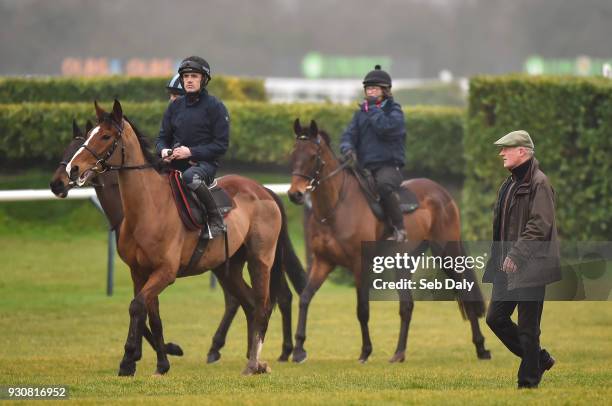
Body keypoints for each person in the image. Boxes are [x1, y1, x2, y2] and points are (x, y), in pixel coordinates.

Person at [483, 130, 561, 389]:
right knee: (495, 318)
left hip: (531, 266)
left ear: (523, 151)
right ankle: (539, 359)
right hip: (506, 267)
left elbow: (539, 226)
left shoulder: (540, 183)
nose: (501, 153)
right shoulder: (509, 183)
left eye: (507, 148)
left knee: (529, 329)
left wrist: (516, 254)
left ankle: (527, 383)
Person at [156, 56, 230, 238]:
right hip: (174, 163)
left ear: (203, 79)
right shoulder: (174, 107)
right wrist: (164, 151)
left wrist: (191, 152)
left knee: (190, 176)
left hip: (204, 165)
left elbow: (221, 145)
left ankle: (216, 220)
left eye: (194, 76)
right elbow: (161, 138)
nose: (189, 80)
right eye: (186, 76)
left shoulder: (216, 107)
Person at [339, 65, 407, 242]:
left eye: (374, 89)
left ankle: (399, 229)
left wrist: (373, 109)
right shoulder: (361, 114)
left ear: (385, 91)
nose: (370, 92)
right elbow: (348, 135)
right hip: (365, 167)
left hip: (389, 167)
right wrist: (347, 148)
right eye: (368, 88)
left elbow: (385, 128)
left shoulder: (394, 112)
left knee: (383, 186)